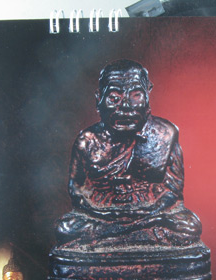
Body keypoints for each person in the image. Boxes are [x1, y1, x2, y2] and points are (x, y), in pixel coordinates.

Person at [55, 59, 201, 247]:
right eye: (114, 97)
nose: (125, 105)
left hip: (151, 214)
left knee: (189, 226)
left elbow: (173, 191)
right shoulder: (88, 141)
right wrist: (102, 212)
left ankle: (110, 238)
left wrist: (150, 211)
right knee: (66, 228)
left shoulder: (164, 134)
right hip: (102, 216)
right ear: (99, 100)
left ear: (147, 97)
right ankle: (132, 235)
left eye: (136, 95)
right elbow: (76, 190)